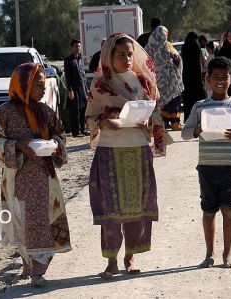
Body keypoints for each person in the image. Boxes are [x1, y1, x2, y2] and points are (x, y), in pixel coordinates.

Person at [85, 32, 172, 279]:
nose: (126, 58)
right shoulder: (100, 83)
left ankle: (129, 257)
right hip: (110, 151)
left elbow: (155, 111)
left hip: (137, 149)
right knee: (110, 208)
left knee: (135, 207)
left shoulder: (142, 81)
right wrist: (104, 121)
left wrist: (148, 120)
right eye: (120, 54)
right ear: (109, 56)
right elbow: (90, 116)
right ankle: (111, 261)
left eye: (129, 54)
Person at [0, 63, 72, 287]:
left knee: (44, 222)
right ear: (22, 85)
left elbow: (60, 134)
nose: (42, 89)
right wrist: (19, 145)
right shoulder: (3, 113)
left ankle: (38, 271)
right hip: (17, 179)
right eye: (37, 84)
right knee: (22, 223)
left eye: (44, 84)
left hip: (45, 178)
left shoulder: (45, 111)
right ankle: (30, 264)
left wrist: (56, 144)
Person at [181, 57, 231, 268]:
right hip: (206, 167)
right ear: (207, 79)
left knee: (228, 210)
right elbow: (185, 134)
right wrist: (196, 130)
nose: (220, 81)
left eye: (225, 77)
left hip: (230, 166)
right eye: (216, 77)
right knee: (208, 211)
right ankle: (209, 254)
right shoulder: (200, 106)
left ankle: (228, 254)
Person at [145, 26, 184, 130]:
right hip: (170, 79)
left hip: (155, 80)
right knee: (173, 100)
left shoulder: (148, 48)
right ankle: (175, 124)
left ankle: (163, 123)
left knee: (159, 101)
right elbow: (177, 60)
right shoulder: (167, 46)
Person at [64, 39, 89, 137]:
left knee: (83, 110)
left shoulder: (80, 60)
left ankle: (83, 129)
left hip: (82, 88)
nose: (77, 48)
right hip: (74, 89)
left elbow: (83, 76)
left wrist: (86, 89)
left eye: (79, 46)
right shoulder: (68, 60)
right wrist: (70, 90)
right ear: (72, 47)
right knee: (75, 111)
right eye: (75, 46)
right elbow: (67, 77)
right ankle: (76, 131)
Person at [181, 31, 206, 122]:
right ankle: (199, 117)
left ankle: (188, 118)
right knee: (197, 97)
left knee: (188, 98)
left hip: (186, 76)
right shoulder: (196, 46)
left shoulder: (184, 47)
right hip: (196, 76)